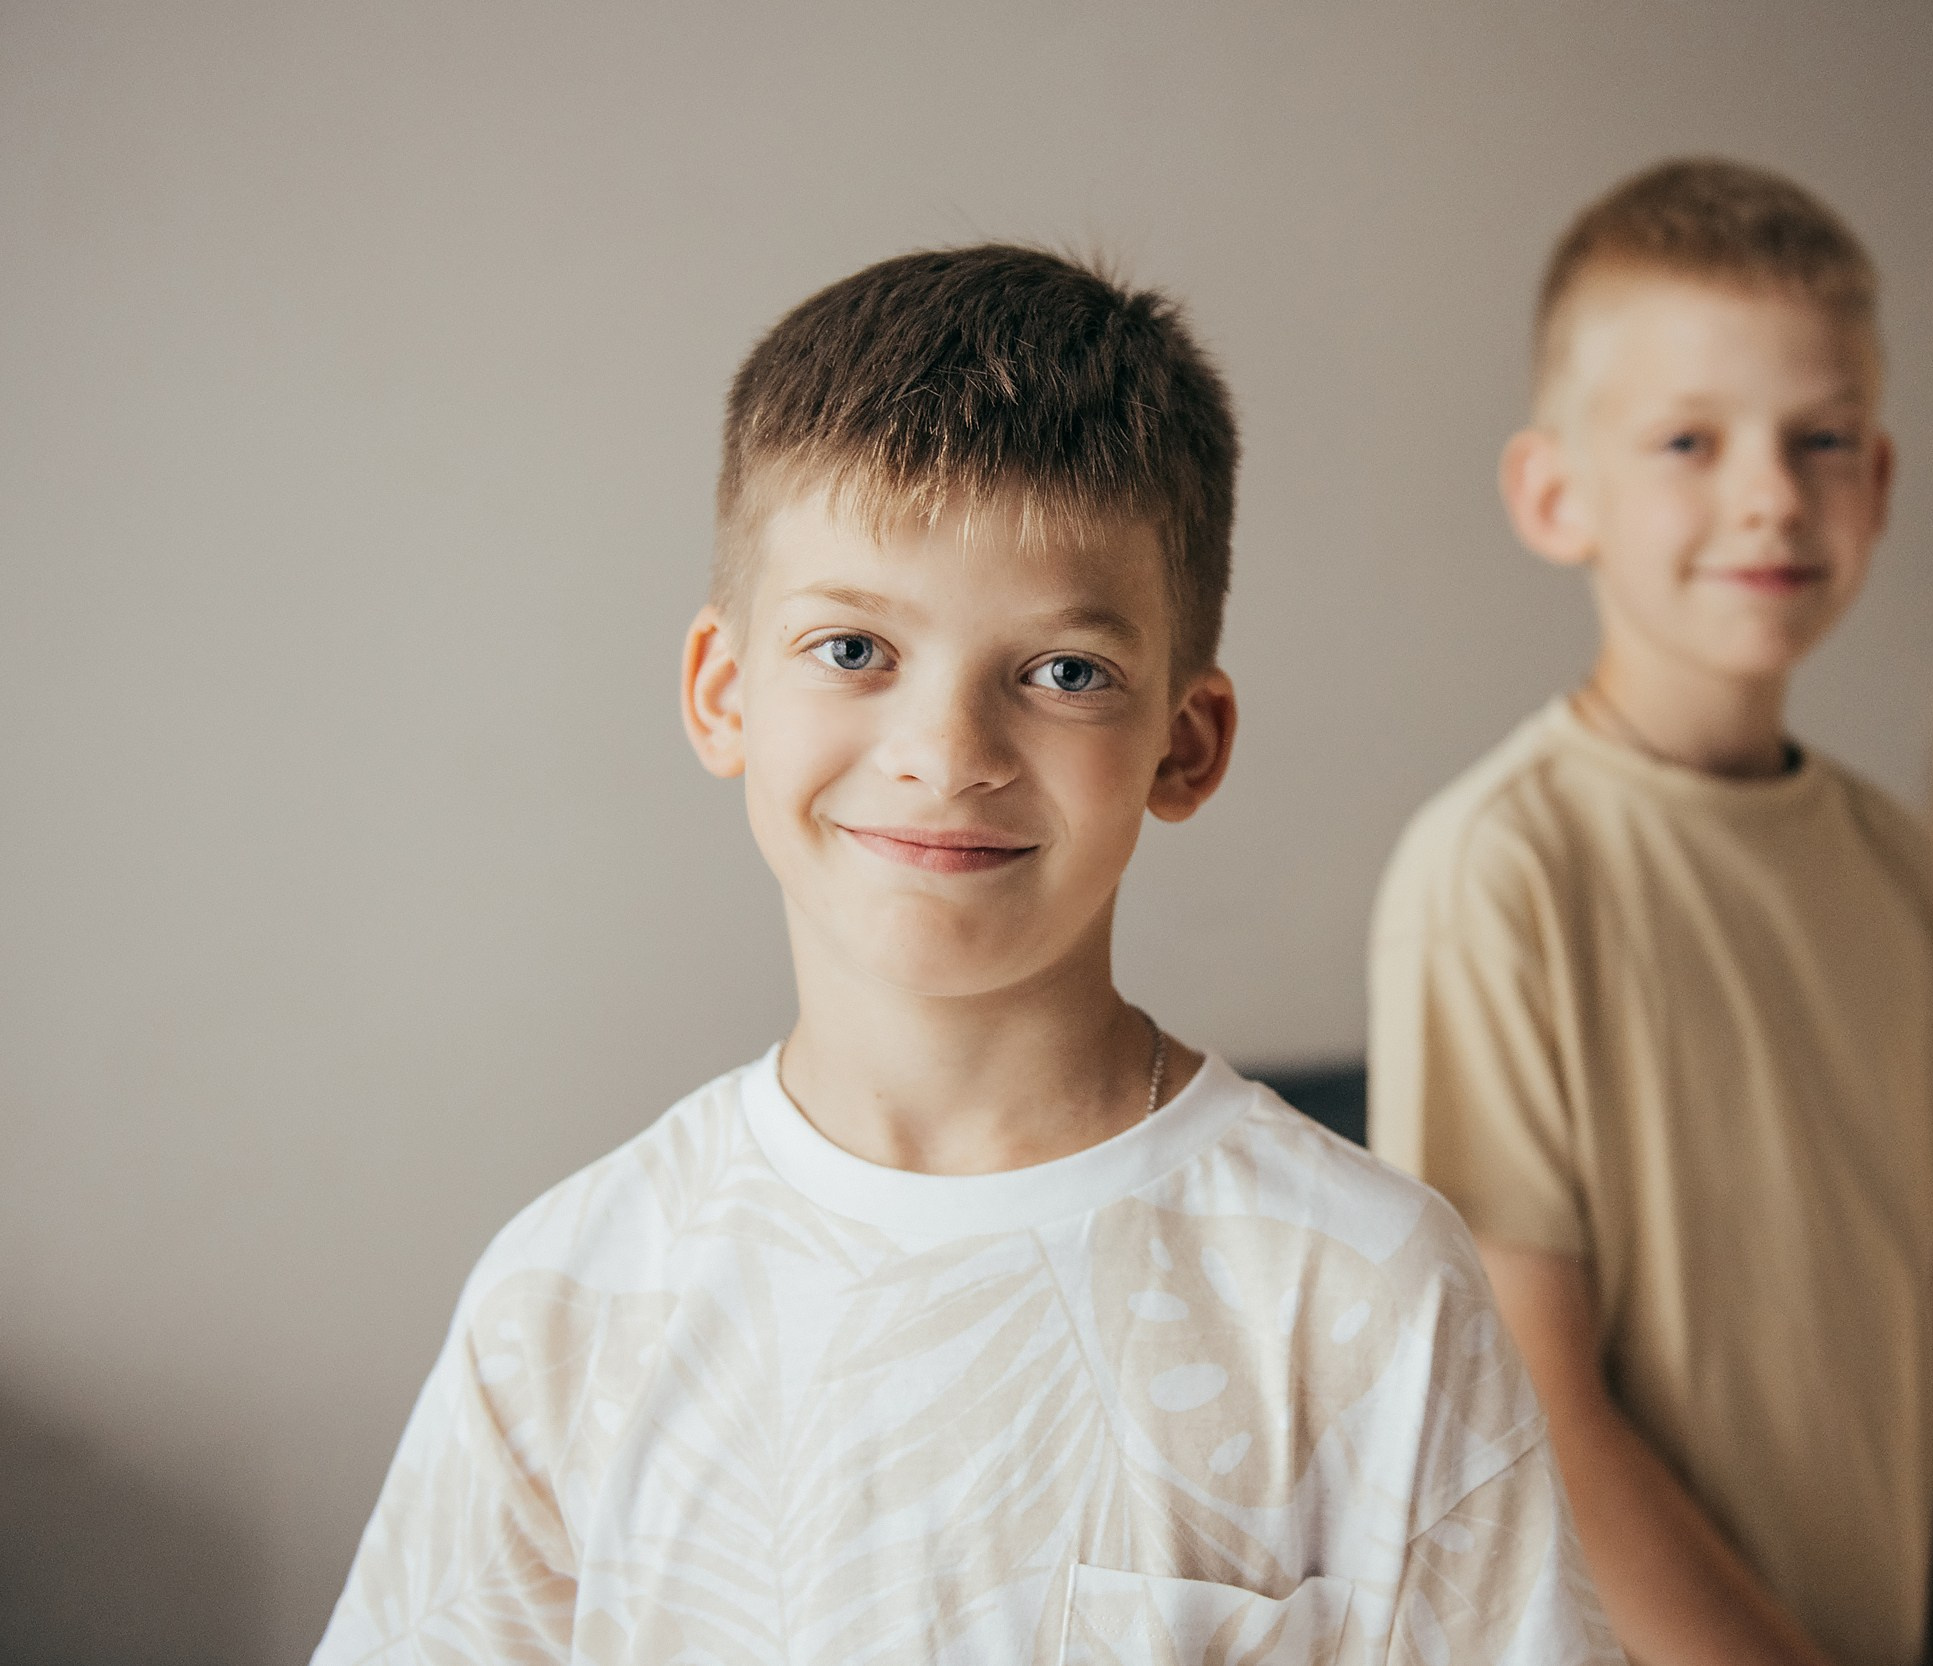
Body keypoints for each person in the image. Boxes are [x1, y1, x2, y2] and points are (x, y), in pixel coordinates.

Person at [313, 245, 1620, 1664]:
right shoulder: (568, 1302)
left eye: (1064, 672)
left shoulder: (1361, 1292)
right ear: (722, 691)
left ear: (1185, 744)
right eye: (855, 648)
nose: (946, 755)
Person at [1368, 158, 1933, 1666]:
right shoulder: (1497, 868)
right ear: (1555, 494)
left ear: (1880, 480)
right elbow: (1529, 1402)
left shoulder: (1896, 860)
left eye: (1823, 438)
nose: (1769, 494)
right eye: (1688, 439)